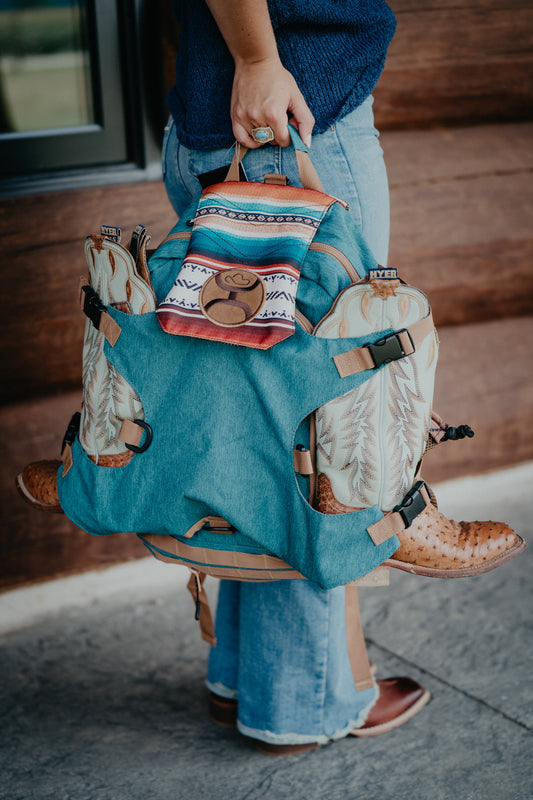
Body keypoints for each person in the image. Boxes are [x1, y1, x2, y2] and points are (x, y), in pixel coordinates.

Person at [161, 0, 431, 754]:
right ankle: (303, 700)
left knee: (257, 410)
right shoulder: (274, 76)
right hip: (293, 112)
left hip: (224, 116)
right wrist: (256, 58)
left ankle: (245, 677)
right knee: (318, 416)